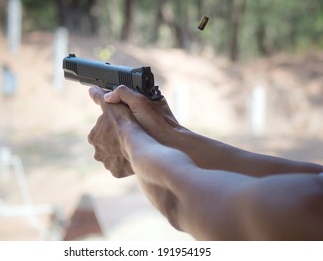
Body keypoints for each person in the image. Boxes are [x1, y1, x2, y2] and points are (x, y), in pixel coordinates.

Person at [87, 85, 323, 240]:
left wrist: (124, 132)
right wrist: (172, 134)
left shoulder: (306, 208)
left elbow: (180, 199)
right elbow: (308, 178)